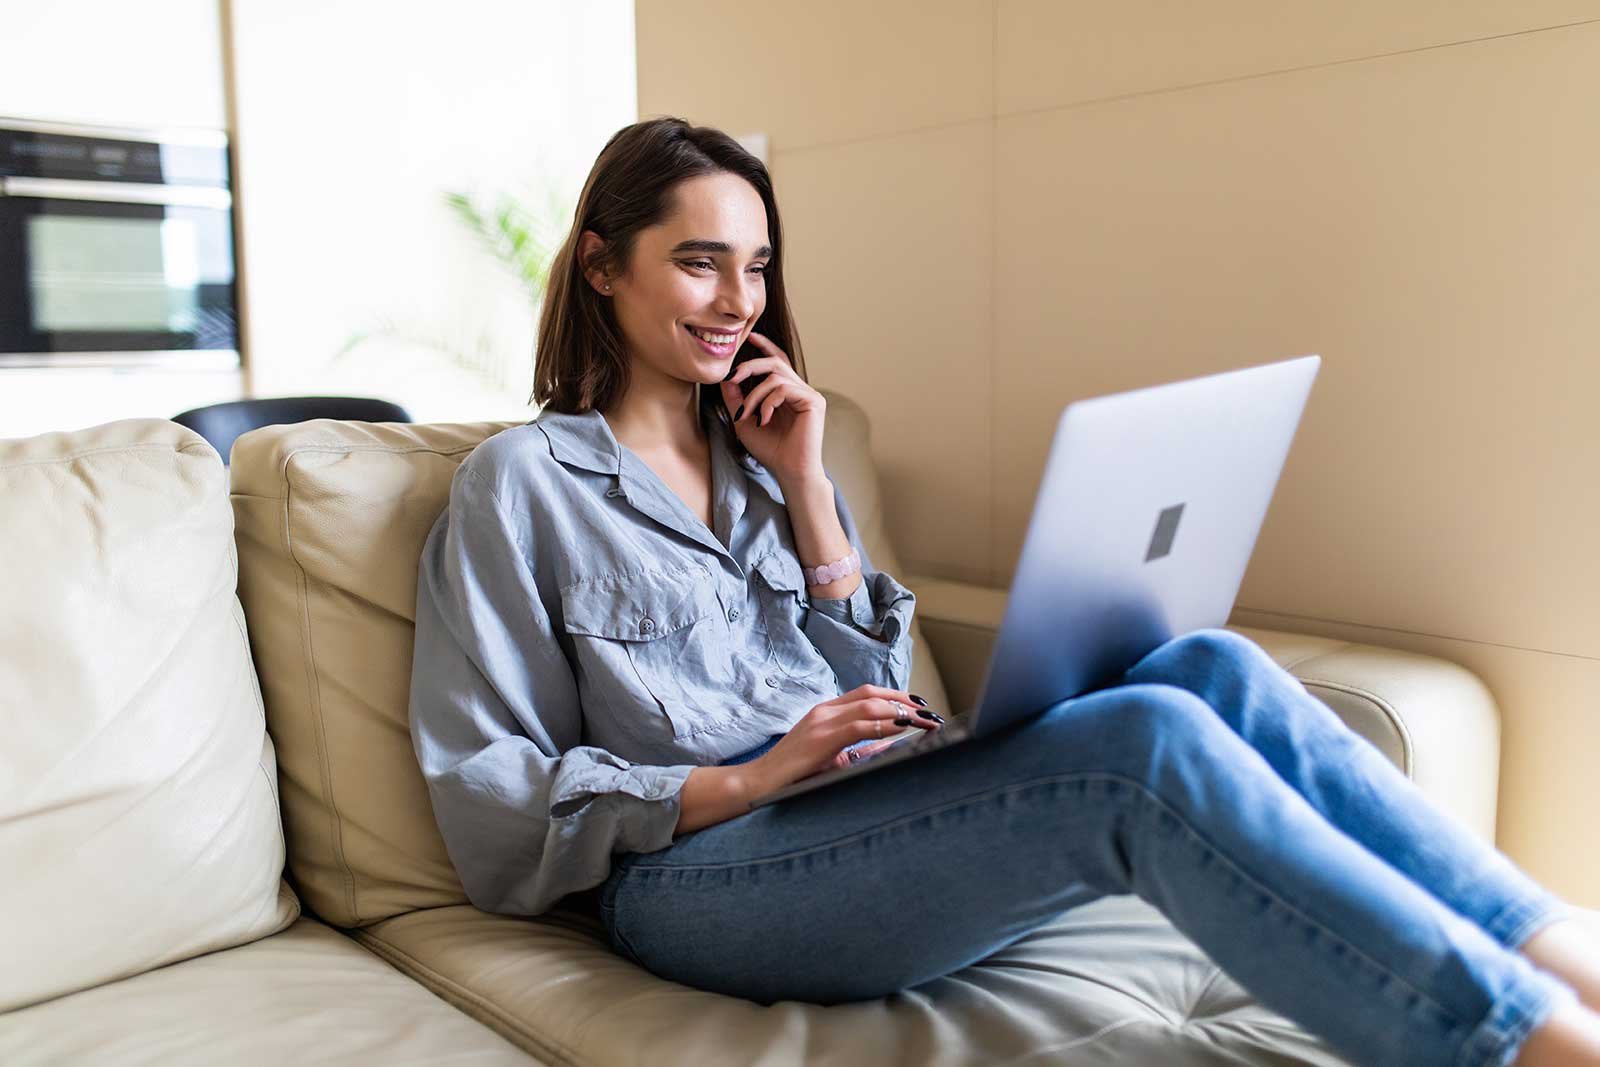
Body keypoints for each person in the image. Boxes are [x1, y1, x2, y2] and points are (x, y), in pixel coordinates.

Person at [408, 116, 1600, 1066]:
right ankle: (1519, 1043)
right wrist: (750, 777)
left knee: (1210, 665)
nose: (738, 300)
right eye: (699, 261)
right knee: (1139, 744)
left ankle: (1560, 953)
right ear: (603, 266)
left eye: (756, 266)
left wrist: (810, 490)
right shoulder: (520, 483)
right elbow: (490, 795)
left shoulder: (771, 458)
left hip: (851, 813)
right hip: (690, 877)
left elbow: (879, 696)